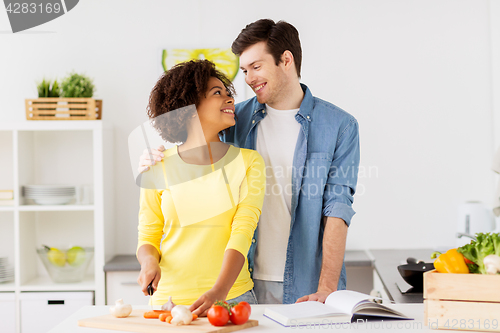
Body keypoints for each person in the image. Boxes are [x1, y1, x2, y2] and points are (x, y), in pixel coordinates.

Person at [139, 19, 360, 305]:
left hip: (308, 281)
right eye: (244, 70)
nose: (248, 79)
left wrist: (327, 286)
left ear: (286, 60)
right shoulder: (235, 119)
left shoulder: (339, 125)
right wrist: (154, 157)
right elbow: (193, 141)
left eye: (256, 66)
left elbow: (337, 207)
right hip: (242, 279)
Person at [136, 59, 266, 316]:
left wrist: (220, 291)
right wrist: (149, 262)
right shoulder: (156, 165)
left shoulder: (250, 162)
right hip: (169, 300)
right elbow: (148, 234)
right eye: (217, 93)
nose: (229, 99)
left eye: (228, 93)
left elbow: (243, 231)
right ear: (188, 107)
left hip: (232, 297)